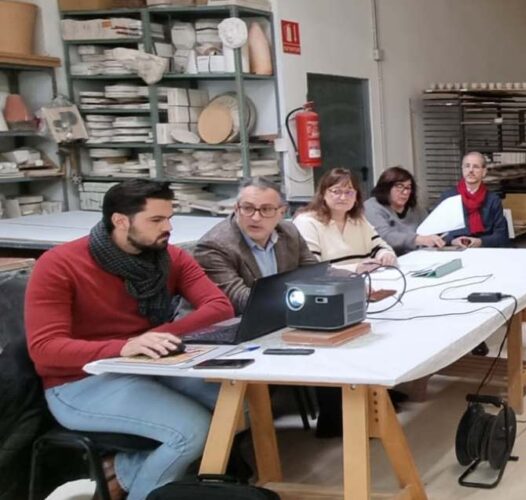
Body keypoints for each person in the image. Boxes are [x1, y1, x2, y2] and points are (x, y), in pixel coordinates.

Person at [25, 179, 234, 499]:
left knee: (240, 411)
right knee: (193, 432)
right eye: (156, 220)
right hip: (78, 381)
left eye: (169, 218)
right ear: (120, 221)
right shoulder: (59, 264)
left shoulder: (169, 257)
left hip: (145, 365)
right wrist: (124, 346)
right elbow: (44, 349)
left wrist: (155, 335)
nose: (168, 228)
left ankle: (121, 473)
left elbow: (219, 306)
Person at [195, 177, 317, 314]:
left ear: (281, 212)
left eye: (266, 209)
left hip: (279, 316)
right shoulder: (214, 246)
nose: (256, 218)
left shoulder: (289, 232)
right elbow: (240, 300)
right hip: (223, 326)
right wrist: (298, 298)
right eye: (248, 208)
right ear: (236, 209)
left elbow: (314, 274)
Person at [294, 168, 397, 272]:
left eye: (349, 192)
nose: (343, 197)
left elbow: (380, 246)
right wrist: (355, 268)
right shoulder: (307, 222)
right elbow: (312, 269)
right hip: (327, 286)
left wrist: (385, 255)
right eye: (336, 191)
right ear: (323, 194)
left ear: (356, 197)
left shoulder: (358, 220)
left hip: (364, 281)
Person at [364, 166, 446, 255]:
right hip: (387, 260)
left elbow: (433, 230)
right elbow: (384, 237)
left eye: (408, 188)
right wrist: (417, 239)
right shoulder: (371, 206)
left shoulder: (415, 209)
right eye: (399, 186)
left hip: (418, 257)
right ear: (386, 187)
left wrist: (451, 240)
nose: (405, 192)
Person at [437, 151, 510, 248]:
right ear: (462, 169)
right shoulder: (448, 197)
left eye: (476, 167)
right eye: (467, 166)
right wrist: (452, 241)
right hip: (453, 249)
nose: (471, 170)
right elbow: (435, 231)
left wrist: (480, 241)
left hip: (484, 250)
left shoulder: (493, 200)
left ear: (484, 172)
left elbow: (502, 235)